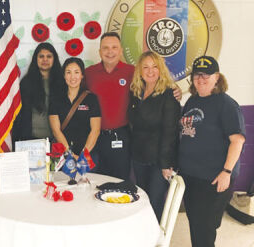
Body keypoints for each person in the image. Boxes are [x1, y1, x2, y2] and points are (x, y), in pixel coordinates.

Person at [86, 32, 181, 180]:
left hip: (122, 137)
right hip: (95, 138)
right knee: (94, 181)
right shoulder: (89, 73)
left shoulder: (132, 72)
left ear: (121, 51)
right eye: (105, 48)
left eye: (114, 47)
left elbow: (156, 84)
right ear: (99, 51)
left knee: (120, 182)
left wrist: (176, 90)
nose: (110, 52)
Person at [179, 56, 245, 247]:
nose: (200, 79)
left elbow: (237, 141)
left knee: (204, 227)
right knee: (196, 223)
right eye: (197, 75)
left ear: (216, 77)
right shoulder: (192, 101)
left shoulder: (226, 105)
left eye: (206, 75)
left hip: (213, 178)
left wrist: (226, 172)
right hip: (191, 176)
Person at [128, 51, 180, 221]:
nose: (150, 71)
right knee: (143, 199)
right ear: (140, 71)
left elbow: (170, 132)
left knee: (155, 201)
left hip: (160, 161)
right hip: (139, 156)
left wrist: (166, 164)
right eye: (146, 67)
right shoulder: (136, 92)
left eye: (155, 67)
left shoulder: (169, 95)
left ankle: (156, 239)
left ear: (161, 69)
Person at [49, 57, 101, 158]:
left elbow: (95, 130)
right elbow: (56, 130)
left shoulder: (91, 99)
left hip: (87, 154)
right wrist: (70, 153)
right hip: (64, 154)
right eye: (68, 72)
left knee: (89, 175)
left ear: (82, 75)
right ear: (64, 75)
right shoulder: (55, 99)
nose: (73, 77)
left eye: (76, 72)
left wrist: (83, 155)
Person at [12, 42, 63, 142]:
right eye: (41, 56)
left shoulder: (62, 83)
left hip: (56, 140)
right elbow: (20, 115)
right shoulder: (26, 83)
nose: (45, 59)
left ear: (54, 59)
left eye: (49, 56)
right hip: (30, 140)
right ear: (36, 59)